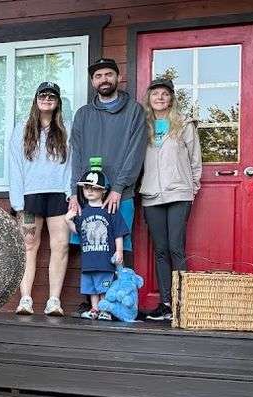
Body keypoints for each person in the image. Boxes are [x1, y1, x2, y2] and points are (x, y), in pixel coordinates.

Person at [68, 57, 146, 313]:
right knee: (90, 244)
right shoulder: (83, 114)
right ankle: (94, 301)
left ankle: (119, 302)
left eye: (108, 74)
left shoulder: (134, 110)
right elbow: (76, 154)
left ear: (117, 77)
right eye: (98, 75)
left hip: (119, 194)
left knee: (119, 246)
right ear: (92, 81)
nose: (104, 79)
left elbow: (135, 153)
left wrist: (117, 188)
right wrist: (74, 193)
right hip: (88, 194)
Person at [139, 76, 202, 321]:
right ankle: (165, 305)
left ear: (171, 98)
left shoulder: (184, 125)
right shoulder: (143, 126)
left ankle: (181, 304)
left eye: (165, 93)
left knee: (176, 247)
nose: (160, 97)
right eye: (155, 93)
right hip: (151, 194)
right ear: (149, 98)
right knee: (161, 250)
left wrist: (191, 189)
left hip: (179, 193)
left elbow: (196, 162)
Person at [9, 81, 72, 316]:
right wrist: (17, 202)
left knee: (61, 246)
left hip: (58, 195)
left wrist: (70, 194)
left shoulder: (67, 128)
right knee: (28, 246)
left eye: (52, 96)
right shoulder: (22, 128)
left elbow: (72, 165)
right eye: (42, 95)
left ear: (57, 102)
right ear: (36, 100)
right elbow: (15, 166)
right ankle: (25, 299)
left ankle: (53, 301)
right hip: (29, 198)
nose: (47, 99)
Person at [64, 165, 129, 319]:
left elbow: (118, 233)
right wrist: (68, 221)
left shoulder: (110, 210)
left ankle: (106, 309)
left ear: (103, 190)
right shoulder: (82, 212)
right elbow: (79, 231)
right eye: (86, 188)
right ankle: (95, 309)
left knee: (104, 288)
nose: (90, 191)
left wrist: (119, 250)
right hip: (88, 261)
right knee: (92, 288)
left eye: (94, 188)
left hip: (104, 261)